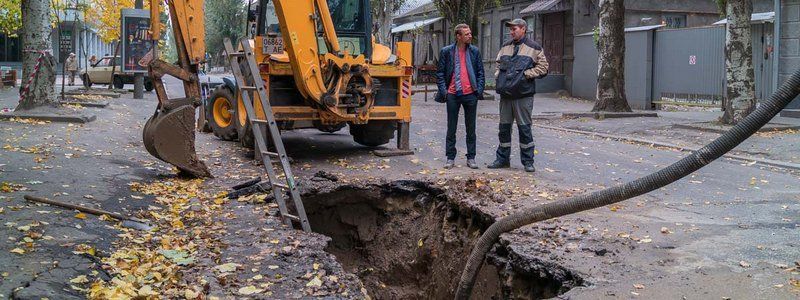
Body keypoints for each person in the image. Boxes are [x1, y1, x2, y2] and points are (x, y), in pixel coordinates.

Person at [487, 19, 548, 173]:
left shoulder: (534, 48)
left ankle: (528, 162)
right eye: (511, 29)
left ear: (523, 29)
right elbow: (498, 64)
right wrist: (498, 76)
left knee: (524, 128)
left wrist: (526, 75)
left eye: (514, 29)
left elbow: (544, 67)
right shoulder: (505, 46)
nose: (511, 32)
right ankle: (502, 159)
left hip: (523, 95)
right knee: (504, 128)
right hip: (506, 95)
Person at [436, 24, 485, 170]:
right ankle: (450, 158)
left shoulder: (475, 52)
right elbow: (440, 74)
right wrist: (445, 92)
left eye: (470, 33)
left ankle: (471, 158)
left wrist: (479, 91)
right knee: (451, 127)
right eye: (467, 34)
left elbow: (480, 73)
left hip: (470, 94)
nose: (470, 36)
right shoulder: (446, 51)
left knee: (471, 128)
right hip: (452, 94)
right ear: (458, 36)